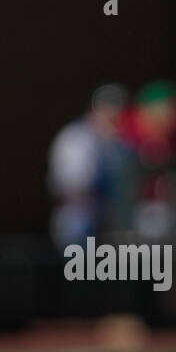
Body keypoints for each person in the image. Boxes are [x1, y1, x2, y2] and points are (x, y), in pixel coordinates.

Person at [47, 83, 131, 248]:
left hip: (111, 218)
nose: (112, 115)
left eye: (117, 110)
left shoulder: (119, 145)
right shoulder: (75, 138)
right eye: (107, 109)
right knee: (77, 224)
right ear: (94, 110)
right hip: (79, 215)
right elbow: (72, 186)